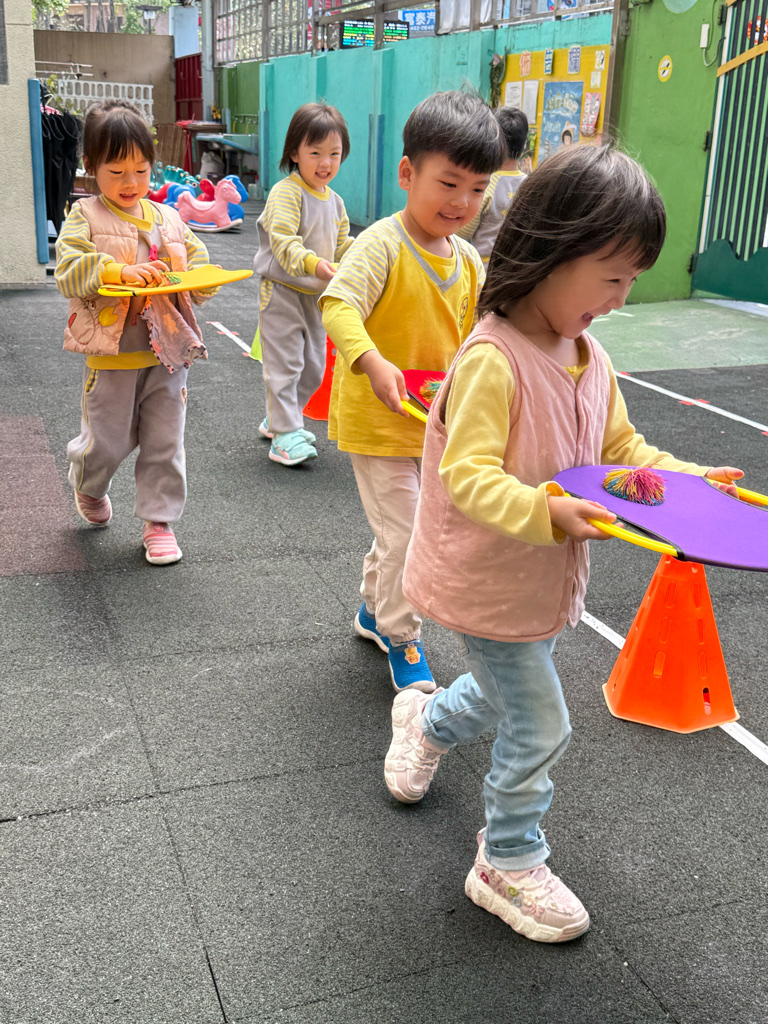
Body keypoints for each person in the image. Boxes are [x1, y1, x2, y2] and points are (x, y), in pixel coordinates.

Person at [385, 144, 744, 942]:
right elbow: (467, 475)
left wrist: (693, 482)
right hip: (486, 579)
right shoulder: (493, 360)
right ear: (551, 253)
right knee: (542, 722)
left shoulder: (591, 357)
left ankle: (425, 722)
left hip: (540, 582)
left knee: (502, 694)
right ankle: (506, 860)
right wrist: (545, 511)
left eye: (631, 281)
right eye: (611, 278)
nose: (620, 300)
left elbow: (624, 455)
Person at [320, 91, 504, 693]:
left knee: (400, 530)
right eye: (448, 183)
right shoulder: (382, 244)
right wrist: (371, 360)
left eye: (477, 189)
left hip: (432, 424)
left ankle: (375, 611)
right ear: (407, 173)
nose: (462, 202)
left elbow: (485, 330)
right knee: (410, 533)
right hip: (379, 424)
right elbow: (337, 304)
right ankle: (403, 635)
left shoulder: (468, 261)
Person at [55, 99, 219, 565]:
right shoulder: (85, 216)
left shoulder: (169, 218)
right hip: (112, 357)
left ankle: (158, 521)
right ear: (91, 167)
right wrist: (115, 271)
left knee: (165, 442)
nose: (130, 183)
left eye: (141, 171)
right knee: (105, 444)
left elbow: (198, 263)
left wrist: (201, 282)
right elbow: (68, 270)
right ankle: (89, 484)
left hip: (169, 356)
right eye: (116, 172)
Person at [253, 102, 353, 466]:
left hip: (315, 296)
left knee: (313, 368)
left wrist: (363, 255)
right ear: (295, 152)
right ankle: (284, 433)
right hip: (281, 292)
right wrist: (314, 264)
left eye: (334, 154)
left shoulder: (336, 203)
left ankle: (281, 418)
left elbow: (342, 245)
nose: (325, 163)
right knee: (286, 364)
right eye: (315, 153)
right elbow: (283, 241)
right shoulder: (287, 192)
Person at [458, 106, 528, 263]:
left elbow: (465, 231)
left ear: (493, 143)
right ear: (524, 145)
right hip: (516, 266)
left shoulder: (485, 185)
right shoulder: (530, 184)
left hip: (484, 266)